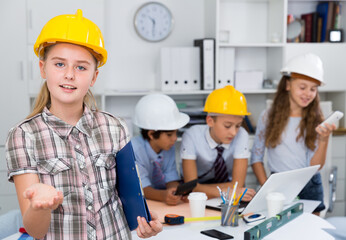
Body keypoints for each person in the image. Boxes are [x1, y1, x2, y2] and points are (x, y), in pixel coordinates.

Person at [5, 10, 162, 239]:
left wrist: (145, 221)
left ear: (94, 77)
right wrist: (41, 205)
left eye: (81, 67)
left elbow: (128, 198)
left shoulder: (115, 127)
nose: (69, 75)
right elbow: (35, 231)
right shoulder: (23, 135)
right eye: (59, 64)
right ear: (42, 68)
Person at [251, 53, 336, 215]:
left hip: (310, 185)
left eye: (313, 89)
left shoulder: (317, 119)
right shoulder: (267, 116)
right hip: (278, 185)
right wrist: (267, 188)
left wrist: (324, 140)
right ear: (288, 85)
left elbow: (316, 166)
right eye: (302, 87)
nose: (308, 94)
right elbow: (256, 159)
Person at [180, 85, 256, 200]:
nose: (234, 132)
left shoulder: (242, 134)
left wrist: (200, 189)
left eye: (238, 126)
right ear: (210, 121)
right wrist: (227, 192)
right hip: (202, 198)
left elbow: (237, 186)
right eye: (227, 126)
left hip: (225, 197)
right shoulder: (191, 135)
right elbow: (191, 187)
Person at [131, 93, 190, 205]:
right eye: (169, 134)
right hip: (142, 202)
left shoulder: (168, 146)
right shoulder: (134, 150)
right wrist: (164, 196)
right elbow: (142, 188)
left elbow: (170, 176)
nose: (174, 138)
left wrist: (176, 191)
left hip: (160, 202)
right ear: (152, 134)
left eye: (176, 133)